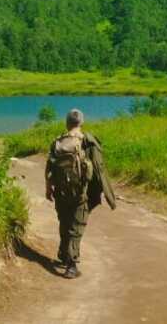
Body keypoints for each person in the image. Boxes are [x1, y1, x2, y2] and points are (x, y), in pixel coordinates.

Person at [45, 108, 116, 279]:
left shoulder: (57, 142)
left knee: (64, 222)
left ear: (67, 123)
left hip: (61, 192)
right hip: (80, 193)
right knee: (76, 227)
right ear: (81, 122)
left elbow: (49, 167)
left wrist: (48, 188)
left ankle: (63, 254)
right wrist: (107, 195)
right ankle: (71, 265)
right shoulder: (87, 141)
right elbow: (99, 169)